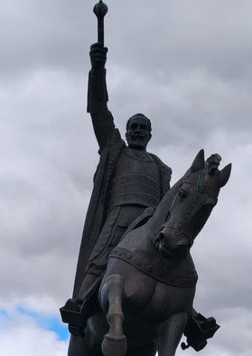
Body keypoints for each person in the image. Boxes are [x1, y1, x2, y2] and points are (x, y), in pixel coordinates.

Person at [60, 42, 173, 333]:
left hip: (150, 221)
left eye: (142, 128)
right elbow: (99, 109)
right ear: (125, 132)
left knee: (173, 260)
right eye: (132, 127)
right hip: (119, 215)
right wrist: (98, 68)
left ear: (150, 134)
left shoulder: (160, 166)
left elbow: (168, 205)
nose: (137, 131)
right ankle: (81, 301)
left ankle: (192, 317)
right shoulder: (115, 150)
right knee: (99, 259)